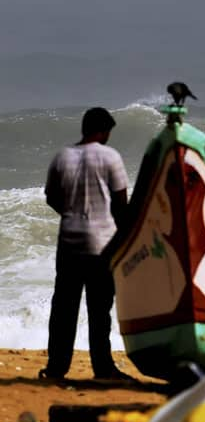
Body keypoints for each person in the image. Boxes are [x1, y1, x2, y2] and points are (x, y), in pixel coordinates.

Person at [40, 107, 132, 381]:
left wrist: (71, 214)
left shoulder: (62, 156)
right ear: (103, 131)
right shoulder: (110, 157)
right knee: (99, 309)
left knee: (64, 308)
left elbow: (52, 196)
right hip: (101, 244)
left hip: (68, 241)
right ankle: (103, 368)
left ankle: (56, 368)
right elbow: (120, 204)